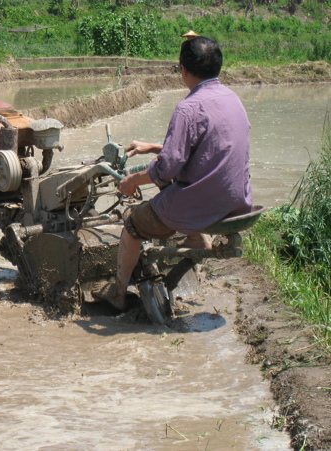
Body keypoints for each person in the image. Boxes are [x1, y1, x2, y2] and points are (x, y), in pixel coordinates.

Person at [94, 36, 253, 310]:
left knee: (132, 224)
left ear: (184, 69)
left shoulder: (188, 109)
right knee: (168, 187)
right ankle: (196, 240)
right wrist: (155, 147)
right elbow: (206, 149)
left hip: (203, 204)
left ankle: (118, 293)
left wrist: (133, 180)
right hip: (237, 201)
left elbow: (167, 167)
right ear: (218, 66)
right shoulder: (232, 98)